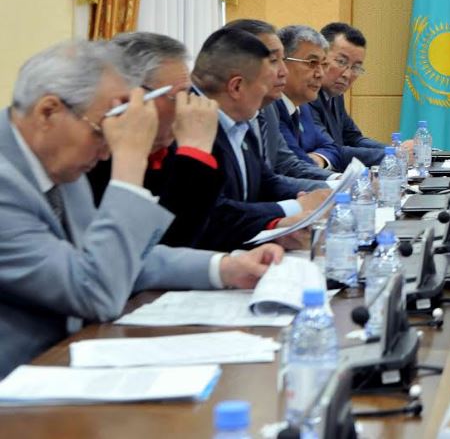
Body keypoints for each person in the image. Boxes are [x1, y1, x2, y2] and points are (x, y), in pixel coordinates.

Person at [0, 40, 282, 378]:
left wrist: (224, 267)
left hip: (66, 361)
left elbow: (115, 257)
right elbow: (94, 292)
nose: (106, 151)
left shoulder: (57, 162)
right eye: (101, 132)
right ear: (48, 112)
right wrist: (130, 161)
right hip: (20, 379)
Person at [191, 28, 330, 251]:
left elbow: (266, 182)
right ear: (236, 86)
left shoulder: (242, 120)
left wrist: (318, 198)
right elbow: (214, 214)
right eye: (264, 83)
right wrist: (294, 208)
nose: (280, 76)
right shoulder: (194, 126)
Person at [87, 32, 223, 247]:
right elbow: (156, 247)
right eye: (178, 96)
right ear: (133, 98)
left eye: (189, 94)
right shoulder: (91, 160)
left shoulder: (172, 149)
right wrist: (195, 155)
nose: (187, 106)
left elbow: (212, 221)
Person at [223, 19, 331, 191]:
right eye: (273, 61)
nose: (283, 71)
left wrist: (338, 186)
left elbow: (279, 169)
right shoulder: (205, 120)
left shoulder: (267, 108)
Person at [310, 22, 392, 166]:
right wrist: (394, 155)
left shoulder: (336, 95)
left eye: (356, 67)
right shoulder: (306, 97)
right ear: (320, 57)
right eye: (341, 62)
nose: (347, 74)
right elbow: (333, 150)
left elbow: (353, 138)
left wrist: (394, 150)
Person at [275, 25, 343, 171]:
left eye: (323, 65)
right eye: (312, 63)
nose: (320, 74)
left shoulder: (303, 105)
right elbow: (294, 165)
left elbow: (332, 147)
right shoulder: (271, 108)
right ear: (282, 62)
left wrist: (318, 159)